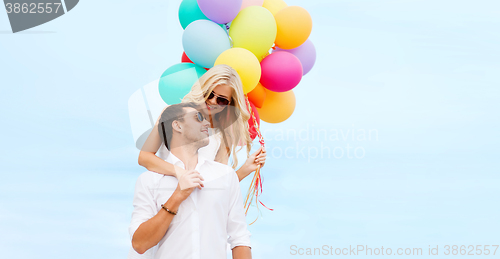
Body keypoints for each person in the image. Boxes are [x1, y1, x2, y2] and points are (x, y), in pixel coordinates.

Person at [129, 103, 252, 259]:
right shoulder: (149, 180)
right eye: (198, 118)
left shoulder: (225, 175)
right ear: (177, 125)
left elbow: (239, 237)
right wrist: (177, 196)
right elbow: (140, 244)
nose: (207, 123)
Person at [138, 64, 266, 190]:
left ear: (229, 104)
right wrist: (180, 172)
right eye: (209, 93)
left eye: (221, 100)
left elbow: (219, 184)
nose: (212, 101)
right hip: (163, 194)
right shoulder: (173, 114)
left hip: (198, 205)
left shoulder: (223, 134)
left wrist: (246, 169)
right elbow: (144, 157)